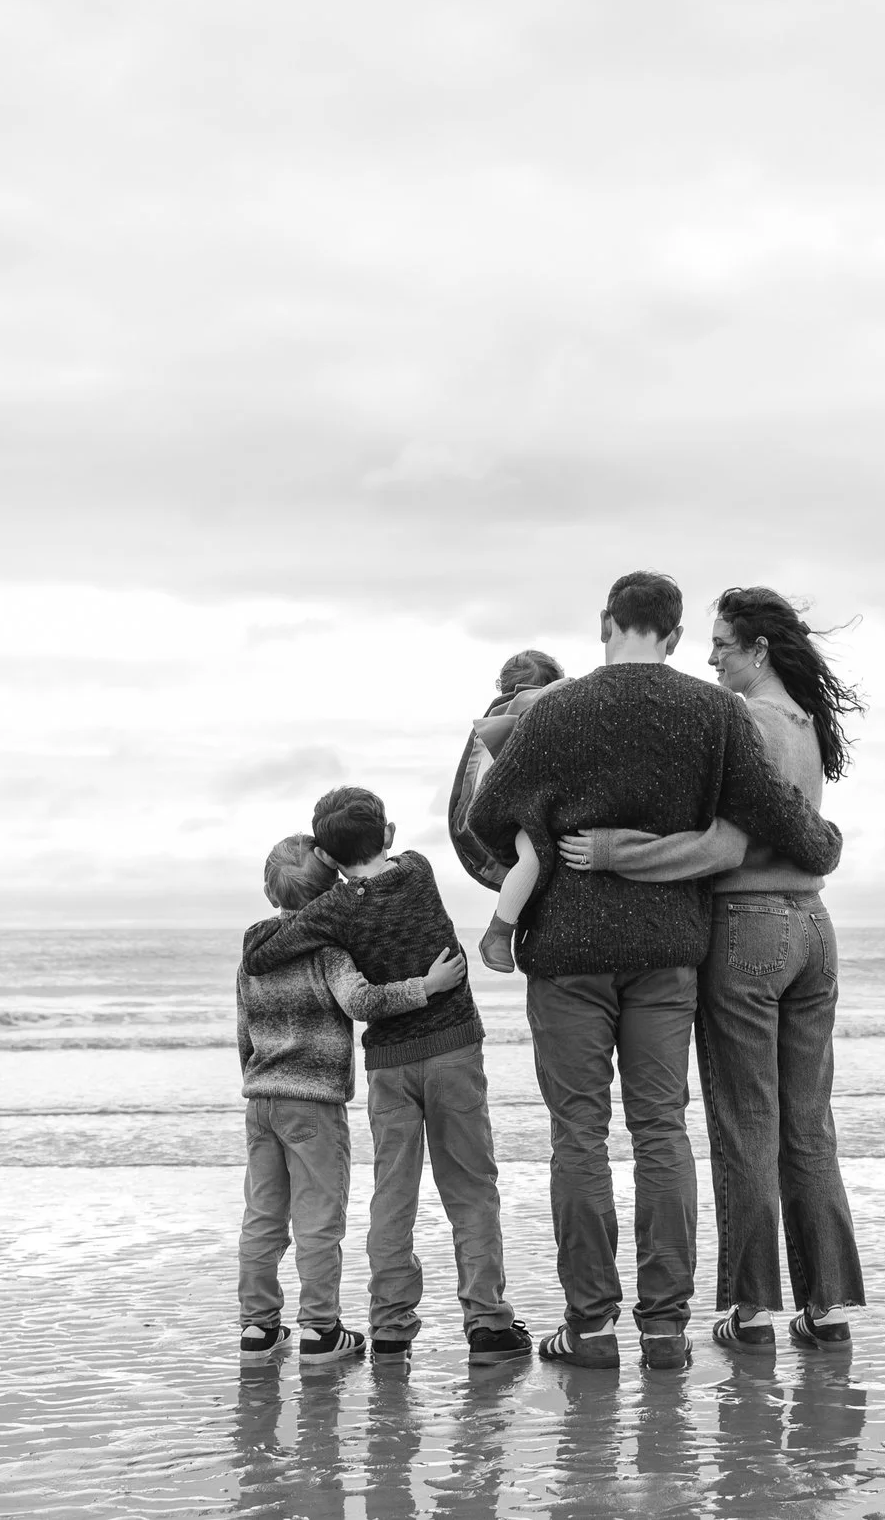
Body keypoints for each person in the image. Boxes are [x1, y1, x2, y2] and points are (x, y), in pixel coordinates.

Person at [466, 570, 845, 1371]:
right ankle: (666, 1329)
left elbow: (486, 812)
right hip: (671, 948)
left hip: (568, 950)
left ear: (606, 622)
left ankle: (592, 1326)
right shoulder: (712, 709)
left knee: (579, 1135)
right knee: (661, 1131)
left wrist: (535, 861)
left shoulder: (560, 708)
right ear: (672, 636)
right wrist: (820, 849)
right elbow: (769, 810)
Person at [562, 587, 868, 1353]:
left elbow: (720, 848)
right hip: (813, 930)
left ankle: (753, 1309)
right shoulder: (802, 721)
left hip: (750, 928)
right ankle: (825, 1307)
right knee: (808, 1125)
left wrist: (612, 851)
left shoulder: (748, 722)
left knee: (745, 1124)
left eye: (723, 643)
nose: (711, 656)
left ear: (758, 649)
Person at [242, 788, 529, 1363]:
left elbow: (266, 953)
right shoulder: (418, 869)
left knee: (391, 1196)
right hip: (453, 1051)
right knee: (471, 1189)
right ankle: (488, 1326)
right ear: (391, 834)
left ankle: (391, 1324)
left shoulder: (336, 912)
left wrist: (304, 896)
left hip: (388, 1067)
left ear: (328, 853)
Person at [444, 648, 571, 973]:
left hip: (522, 808)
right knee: (534, 858)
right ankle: (499, 931)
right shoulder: (529, 708)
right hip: (515, 814)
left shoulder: (499, 714)